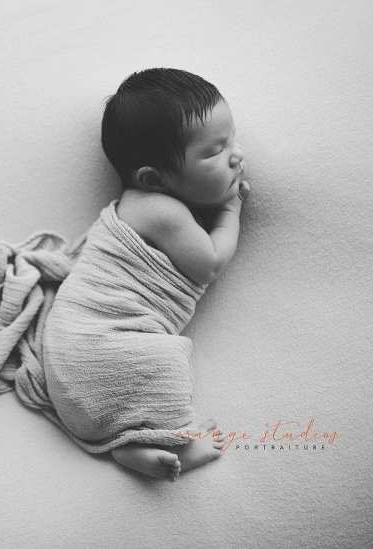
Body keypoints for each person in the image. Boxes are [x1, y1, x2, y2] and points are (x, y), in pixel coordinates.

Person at [42, 68, 251, 480]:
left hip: (73, 353)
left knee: (148, 365)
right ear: (153, 178)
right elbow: (209, 262)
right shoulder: (163, 212)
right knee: (162, 361)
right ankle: (173, 439)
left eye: (231, 140)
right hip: (99, 343)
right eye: (213, 152)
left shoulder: (138, 206)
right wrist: (230, 210)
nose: (237, 156)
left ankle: (130, 445)